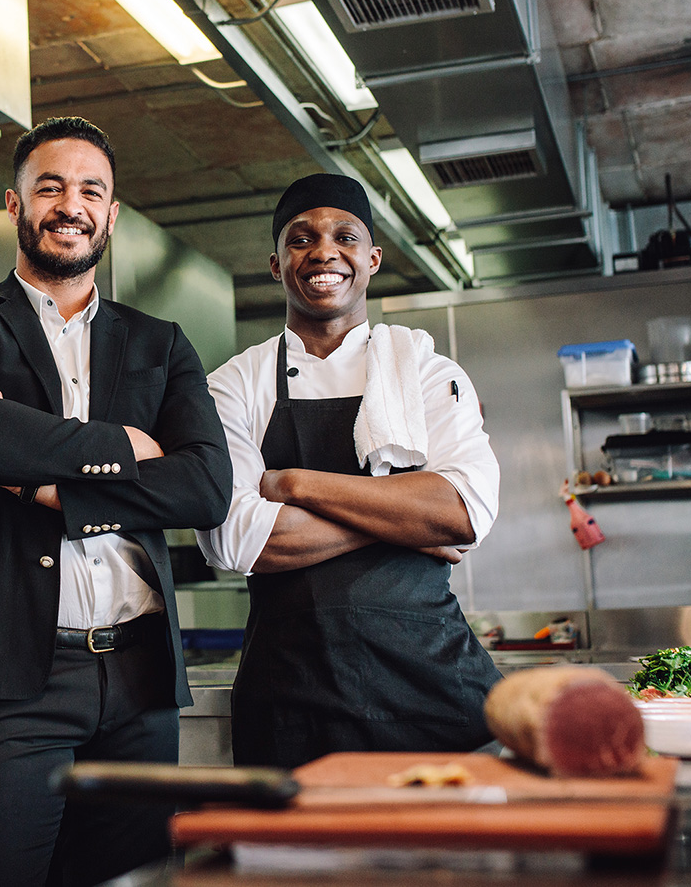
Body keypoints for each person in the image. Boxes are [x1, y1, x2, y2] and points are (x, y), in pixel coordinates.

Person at [0, 116, 232, 887]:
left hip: (141, 676)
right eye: (49, 186)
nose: (70, 204)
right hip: (11, 675)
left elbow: (207, 487)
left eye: (91, 190)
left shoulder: (163, 342)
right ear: (14, 205)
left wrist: (45, 484)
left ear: (111, 215)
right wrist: (125, 445)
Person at [196, 172, 502, 769]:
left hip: (429, 683)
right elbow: (237, 538)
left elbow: (464, 512)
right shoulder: (233, 383)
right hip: (290, 693)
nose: (323, 252)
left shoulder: (429, 372)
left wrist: (294, 485)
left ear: (372, 257)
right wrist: (407, 517)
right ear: (276, 262)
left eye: (345, 235)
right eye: (301, 238)